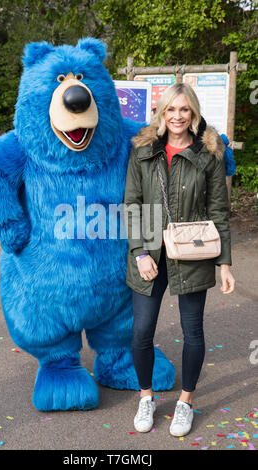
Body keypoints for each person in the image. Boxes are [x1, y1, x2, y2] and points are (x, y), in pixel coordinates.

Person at [124, 82, 235, 437]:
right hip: (149, 252)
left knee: (193, 331)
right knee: (141, 331)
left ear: (194, 113)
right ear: (161, 113)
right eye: (170, 109)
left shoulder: (209, 154)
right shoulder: (142, 150)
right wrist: (140, 252)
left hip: (193, 250)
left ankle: (185, 402)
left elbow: (219, 210)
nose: (177, 116)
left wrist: (225, 264)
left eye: (184, 110)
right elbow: (132, 206)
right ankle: (146, 397)